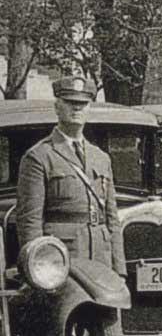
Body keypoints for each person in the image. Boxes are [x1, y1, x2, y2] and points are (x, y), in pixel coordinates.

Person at [16, 77, 125, 276]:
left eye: (82, 104)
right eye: (70, 103)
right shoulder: (39, 156)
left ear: (89, 108)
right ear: (57, 107)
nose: (77, 109)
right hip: (61, 259)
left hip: (101, 257)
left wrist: (119, 269)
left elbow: (112, 219)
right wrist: (40, 269)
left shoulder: (100, 158)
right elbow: (30, 221)